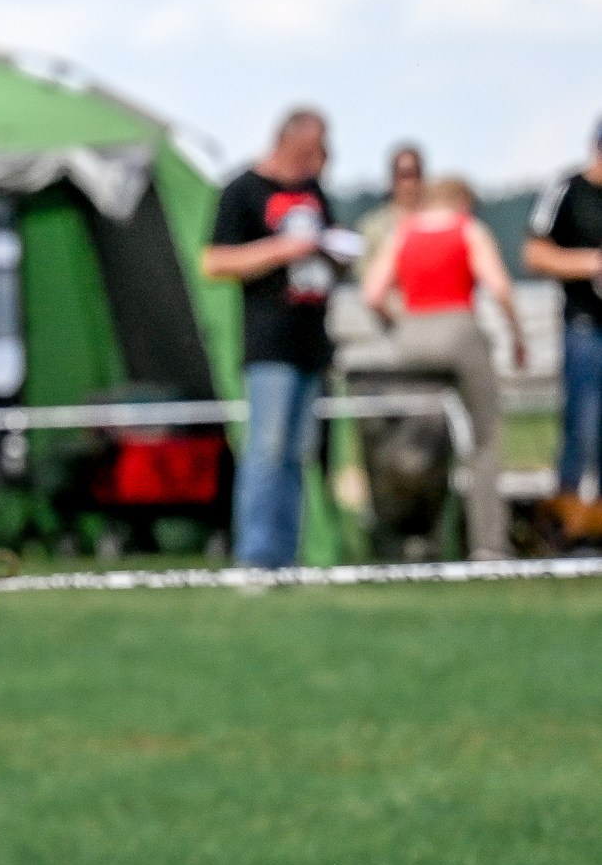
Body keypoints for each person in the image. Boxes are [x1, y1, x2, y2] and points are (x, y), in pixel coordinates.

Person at [202, 109, 351, 568]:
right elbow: (213, 262)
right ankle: (255, 557)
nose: (322, 160)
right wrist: (282, 249)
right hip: (269, 342)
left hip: (311, 340)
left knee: (297, 454)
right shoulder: (243, 190)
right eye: (315, 150)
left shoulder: (314, 193)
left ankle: (287, 556)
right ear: (291, 144)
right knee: (265, 449)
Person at [363, 177, 526, 559]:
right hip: (459, 327)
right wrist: (517, 336)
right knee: (485, 438)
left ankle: (418, 539)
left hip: (411, 334)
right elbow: (499, 286)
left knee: (418, 444)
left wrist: (400, 323)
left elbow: (372, 293)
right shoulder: (468, 229)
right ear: (463, 201)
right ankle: (488, 543)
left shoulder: (402, 234)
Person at [524, 120, 602, 503]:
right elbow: (534, 253)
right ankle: (566, 523)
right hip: (585, 325)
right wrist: (590, 263)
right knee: (581, 424)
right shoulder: (568, 189)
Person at [355, 142, 425, 291]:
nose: (410, 183)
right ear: (393, 178)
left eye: (415, 174)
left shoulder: (436, 222)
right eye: (404, 175)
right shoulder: (373, 226)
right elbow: (365, 274)